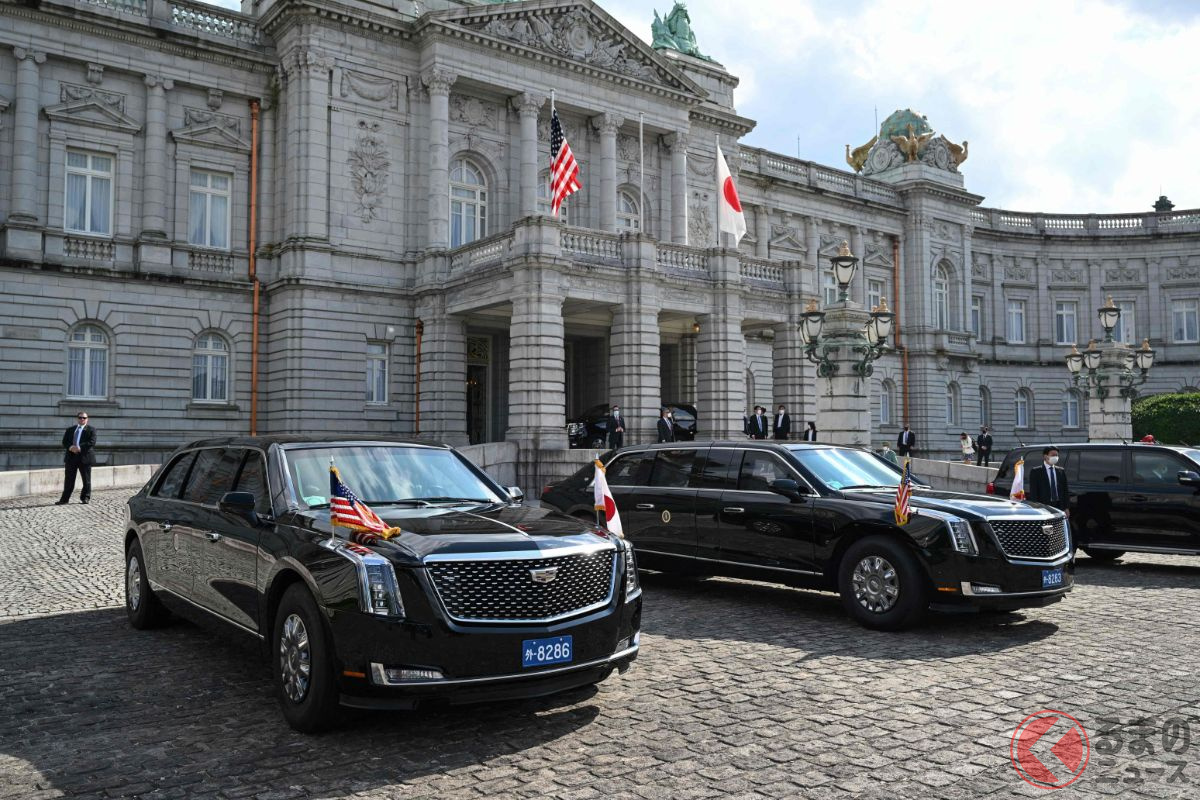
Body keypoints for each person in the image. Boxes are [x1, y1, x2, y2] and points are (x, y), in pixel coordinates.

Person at [57, 411, 96, 505]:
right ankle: (64, 499)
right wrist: (71, 447)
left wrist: (79, 447)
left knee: (86, 480)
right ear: (77, 418)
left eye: (84, 418)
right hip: (71, 457)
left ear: (87, 419)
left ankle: (85, 498)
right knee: (69, 480)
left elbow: (92, 442)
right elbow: (64, 441)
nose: (82, 419)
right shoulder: (70, 429)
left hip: (84, 458)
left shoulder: (91, 429)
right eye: (80, 417)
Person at [1026, 446, 1070, 515]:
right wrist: (1036, 507)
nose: (1055, 457)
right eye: (1053, 455)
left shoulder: (1061, 471)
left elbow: (1065, 490)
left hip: (1059, 506)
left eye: (1057, 455)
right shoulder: (1036, 471)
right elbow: (1033, 492)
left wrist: (1066, 507)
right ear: (1045, 456)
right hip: (1043, 507)